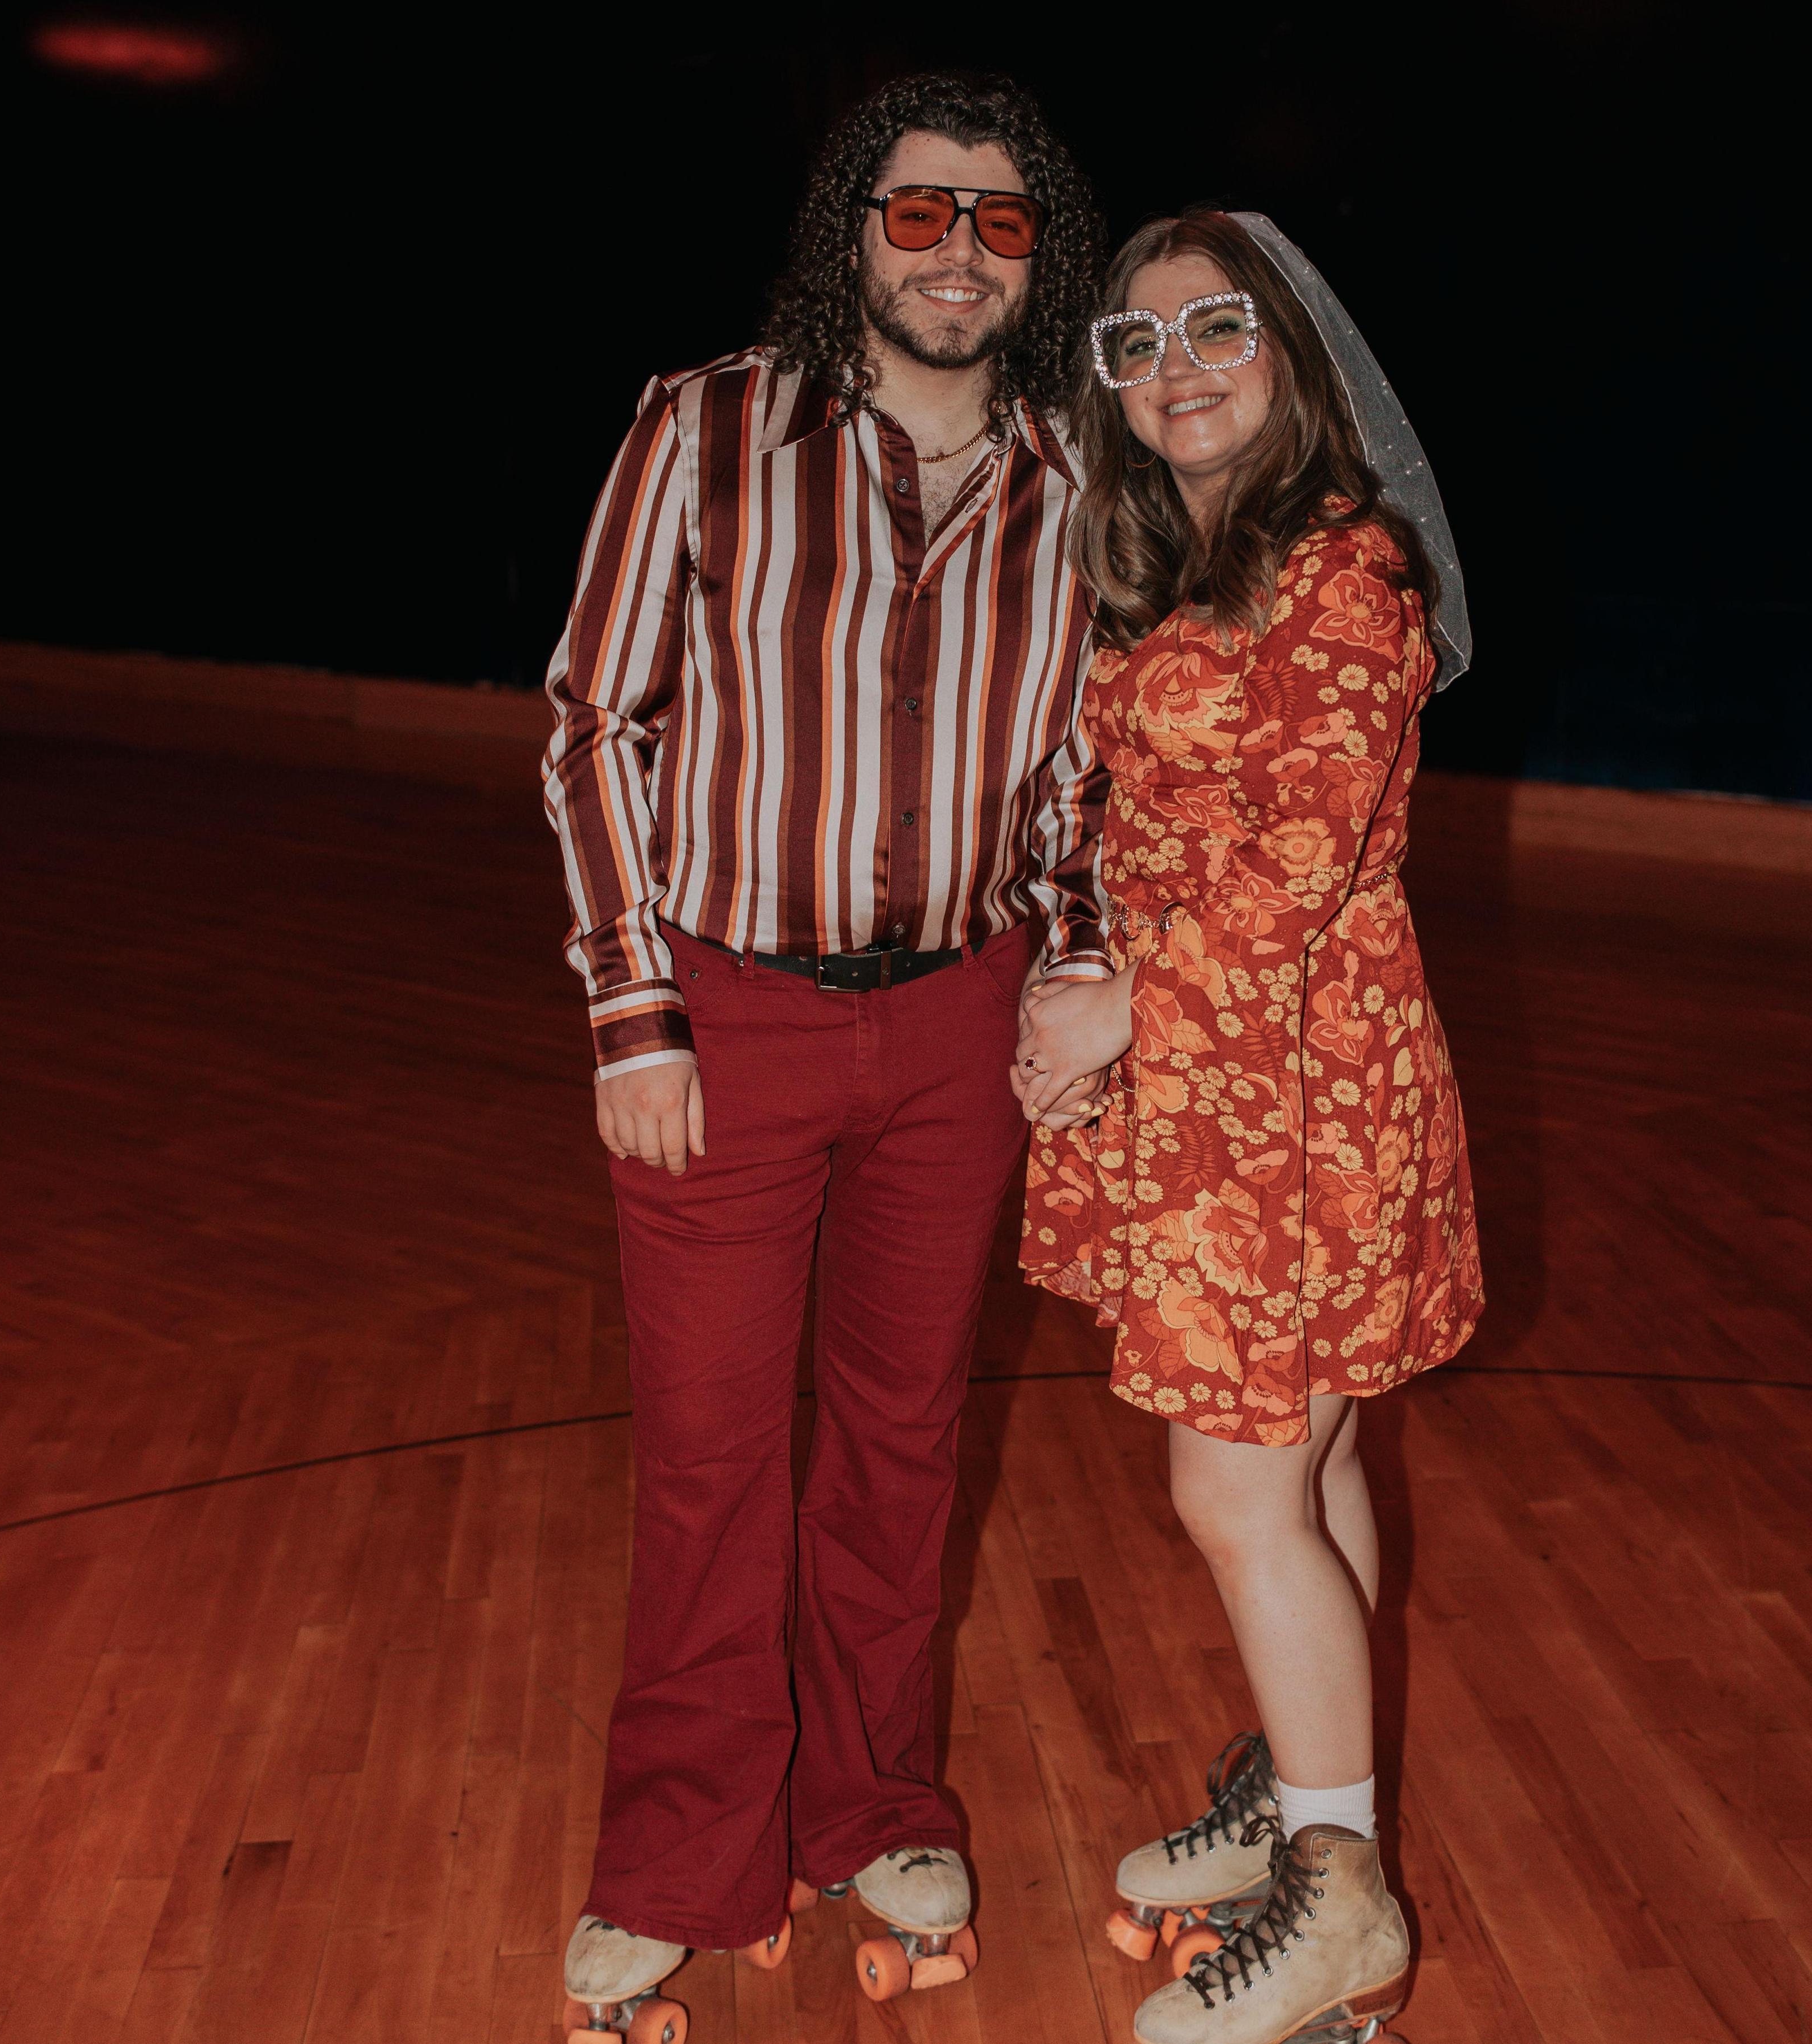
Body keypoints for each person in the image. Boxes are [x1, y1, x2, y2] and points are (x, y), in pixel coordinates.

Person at [539, 72, 1110, 2036]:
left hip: (958, 1021)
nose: (957, 251)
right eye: (918, 210)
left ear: (1038, 254)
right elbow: (592, 726)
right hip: (728, 1018)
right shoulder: (705, 425)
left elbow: (1085, 775)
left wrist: (1070, 968)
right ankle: (675, 1859)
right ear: (849, 231)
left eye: (1000, 220)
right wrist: (634, 1012)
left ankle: (874, 1805)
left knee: (900, 1438)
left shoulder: (1077, 467)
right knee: (711, 1461)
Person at [1014, 207, 1483, 2044]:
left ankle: (1342, 1899)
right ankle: (1307, 1803)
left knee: (1231, 1487)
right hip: (1232, 1076)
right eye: (1134, 346)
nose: (1175, 370)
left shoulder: (1342, 570)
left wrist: (1114, 1004)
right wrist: (1080, 983)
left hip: (1290, 1088)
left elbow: (1296, 860)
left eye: (1214, 328)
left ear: (1287, 352)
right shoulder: (1190, 564)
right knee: (1315, 1455)